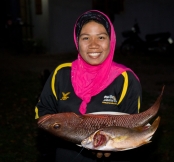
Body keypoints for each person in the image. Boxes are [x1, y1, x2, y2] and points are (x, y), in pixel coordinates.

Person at [35, 10, 142, 162]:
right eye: (86, 38)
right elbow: (43, 112)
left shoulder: (125, 79)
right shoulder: (61, 73)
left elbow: (132, 128)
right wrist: (67, 131)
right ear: (77, 40)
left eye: (101, 37)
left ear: (110, 40)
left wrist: (109, 145)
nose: (93, 45)